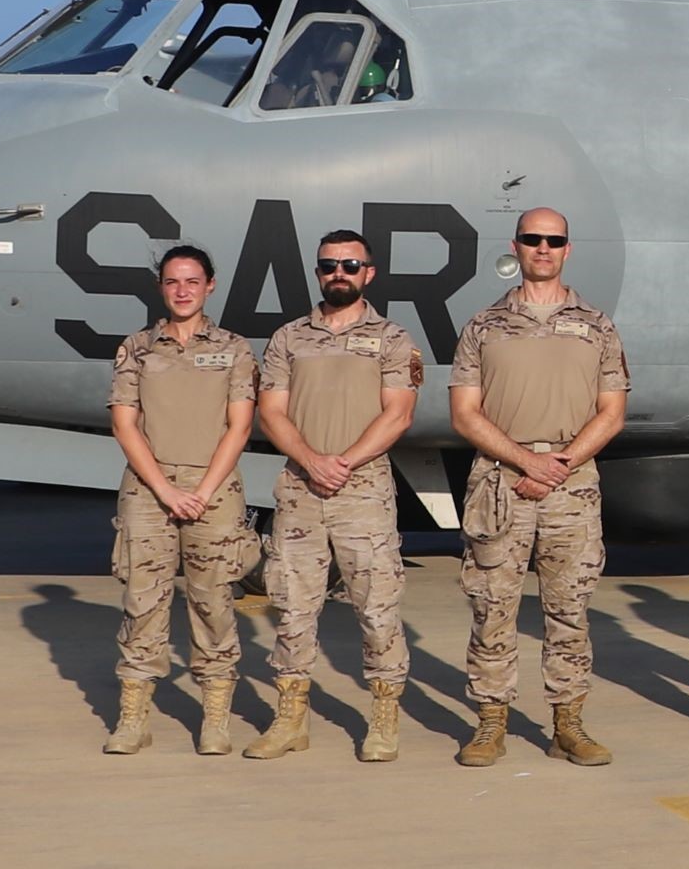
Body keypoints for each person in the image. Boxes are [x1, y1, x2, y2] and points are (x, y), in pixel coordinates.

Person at [447, 208, 630, 768]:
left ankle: (568, 723)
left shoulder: (597, 326)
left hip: (571, 487)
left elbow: (612, 411)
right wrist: (527, 460)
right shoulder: (483, 326)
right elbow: (464, 413)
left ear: (567, 250)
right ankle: (490, 723)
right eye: (533, 239)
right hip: (500, 484)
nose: (543, 248)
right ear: (517, 247)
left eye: (554, 240)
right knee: (492, 608)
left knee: (569, 610)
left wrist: (561, 463)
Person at [244, 230, 421, 762]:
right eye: (328, 266)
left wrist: (344, 461)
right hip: (301, 489)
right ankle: (290, 719)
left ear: (369, 273)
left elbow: (399, 412)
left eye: (350, 265)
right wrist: (312, 460)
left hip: (363, 490)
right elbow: (271, 410)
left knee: (377, 609)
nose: (337, 273)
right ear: (318, 273)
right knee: (292, 608)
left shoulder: (393, 338)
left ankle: (384, 718)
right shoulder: (289, 338)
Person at [100, 244, 258, 756]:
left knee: (213, 602)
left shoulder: (234, 348)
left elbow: (240, 426)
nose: (182, 290)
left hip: (213, 490)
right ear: (161, 288)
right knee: (143, 602)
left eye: (192, 281)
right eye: (172, 282)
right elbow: (125, 423)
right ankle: (133, 717)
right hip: (149, 490)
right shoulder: (137, 348)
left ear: (210, 285)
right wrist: (166, 490)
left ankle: (215, 717)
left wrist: (203, 492)